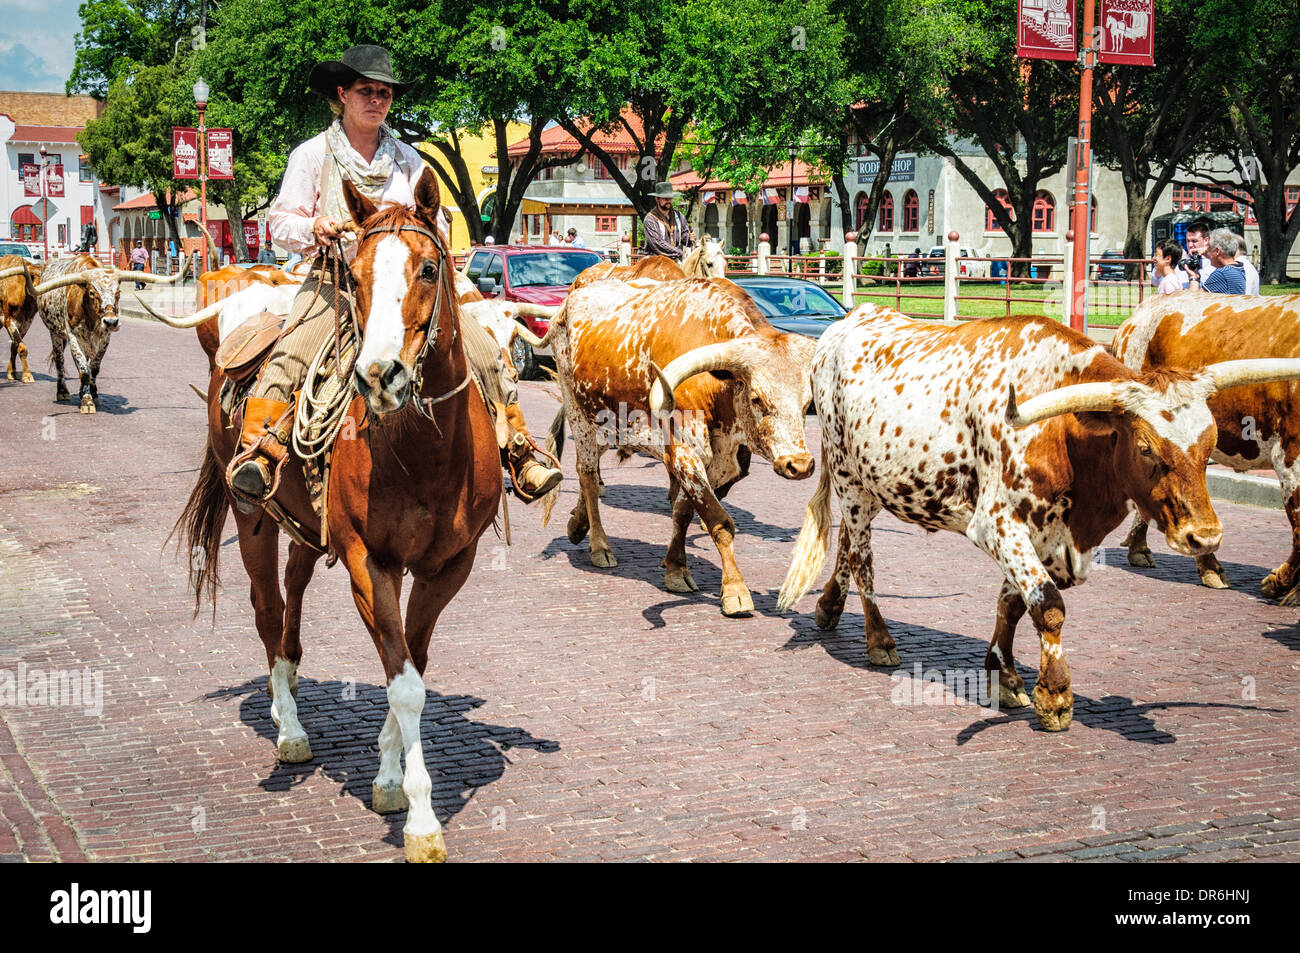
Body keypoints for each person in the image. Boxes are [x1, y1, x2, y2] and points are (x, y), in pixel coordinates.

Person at [227, 44, 561, 513]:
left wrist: (431, 232)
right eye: (366, 91)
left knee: (484, 348)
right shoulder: (311, 155)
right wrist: (314, 226)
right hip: (337, 280)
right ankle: (262, 451)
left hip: (408, 288)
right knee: (294, 348)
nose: (377, 100)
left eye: (384, 93)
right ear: (342, 94)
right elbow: (279, 223)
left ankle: (518, 446)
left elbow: (437, 222)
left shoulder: (409, 159)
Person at [642, 182, 692, 261]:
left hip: (675, 259)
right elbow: (657, 243)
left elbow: (684, 237)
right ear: (657, 199)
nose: (668, 201)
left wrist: (689, 238)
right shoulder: (650, 219)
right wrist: (679, 253)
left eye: (670, 198)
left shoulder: (679, 216)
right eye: (665, 198)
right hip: (654, 260)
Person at [1202, 228, 1247, 294]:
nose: (1207, 254)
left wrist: (1193, 277)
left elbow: (1197, 299)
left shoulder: (1221, 274)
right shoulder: (1239, 268)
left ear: (1217, 251)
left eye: (1208, 250)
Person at [1177, 222, 1215, 289]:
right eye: (1188, 241)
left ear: (1206, 240)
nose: (1190, 245)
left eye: (1194, 241)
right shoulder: (1183, 261)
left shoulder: (1214, 262)